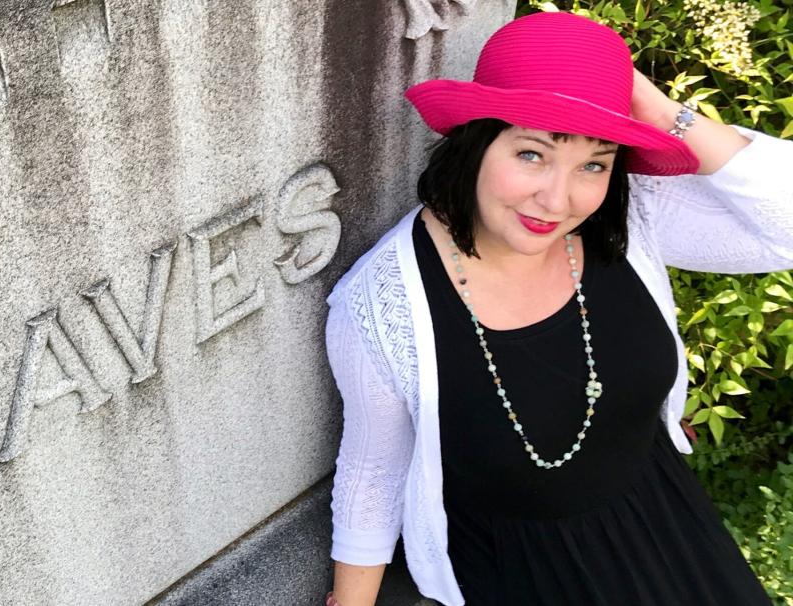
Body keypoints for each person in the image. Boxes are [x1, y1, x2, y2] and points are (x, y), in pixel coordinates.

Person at [323, 10, 792, 606]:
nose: (557, 198)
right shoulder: (381, 303)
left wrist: (645, 102)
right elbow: (374, 475)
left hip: (674, 542)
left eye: (594, 163)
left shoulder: (627, 222)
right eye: (531, 154)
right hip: (525, 579)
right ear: (475, 140)